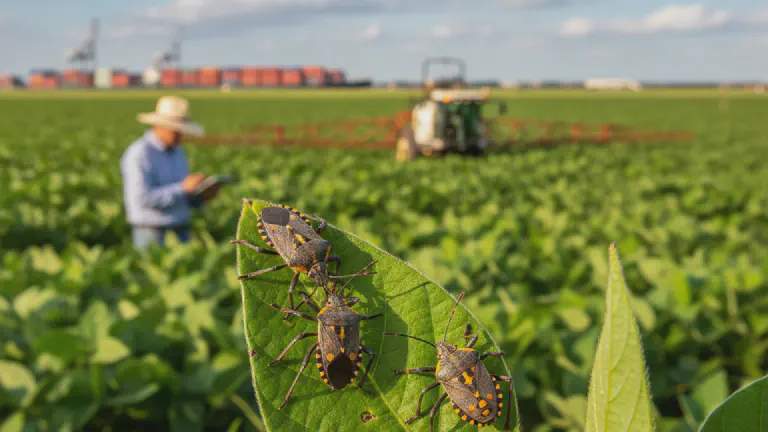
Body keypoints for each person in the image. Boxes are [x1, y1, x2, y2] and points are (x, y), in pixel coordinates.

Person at [120, 95, 220, 250]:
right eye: (176, 130)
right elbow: (143, 198)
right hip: (151, 232)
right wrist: (183, 187)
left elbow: (179, 197)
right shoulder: (139, 154)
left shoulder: (178, 152)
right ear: (159, 126)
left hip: (181, 230)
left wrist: (201, 196)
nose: (181, 135)